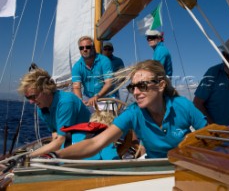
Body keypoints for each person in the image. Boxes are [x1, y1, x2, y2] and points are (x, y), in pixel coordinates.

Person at [51, 60, 207, 159]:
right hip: (155, 171)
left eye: (142, 86)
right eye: (133, 87)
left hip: (186, 166)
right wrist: (56, 155)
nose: (136, 92)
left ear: (161, 85)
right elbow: (96, 143)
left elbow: (210, 137)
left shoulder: (183, 105)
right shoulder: (133, 113)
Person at [18, 68, 91, 157]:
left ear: (46, 89)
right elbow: (55, 132)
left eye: (33, 96)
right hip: (68, 143)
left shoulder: (66, 102)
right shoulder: (42, 108)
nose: (31, 102)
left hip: (86, 145)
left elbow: (61, 141)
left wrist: (28, 157)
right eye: (28, 98)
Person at [71, 36, 113, 109]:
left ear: (93, 48)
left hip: (106, 97)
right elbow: (76, 86)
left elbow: (108, 83)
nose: (84, 49)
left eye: (88, 47)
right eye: (81, 48)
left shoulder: (104, 61)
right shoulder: (77, 66)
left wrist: (97, 96)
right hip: (88, 99)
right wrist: (80, 100)